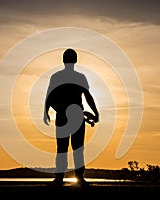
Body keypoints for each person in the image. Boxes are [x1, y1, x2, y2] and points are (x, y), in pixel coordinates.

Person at [43, 48, 99, 186]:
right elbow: (88, 96)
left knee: (64, 147)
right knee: (75, 147)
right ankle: (74, 176)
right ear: (75, 60)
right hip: (71, 116)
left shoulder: (57, 77)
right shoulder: (79, 77)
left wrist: (46, 112)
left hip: (67, 116)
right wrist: (96, 112)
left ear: (64, 60)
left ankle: (64, 176)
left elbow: (49, 96)